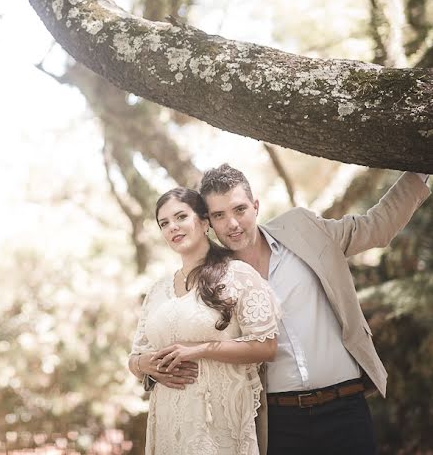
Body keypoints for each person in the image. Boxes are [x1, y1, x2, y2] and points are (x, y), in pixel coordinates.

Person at [198, 165, 430, 455]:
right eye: (219, 215)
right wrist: (145, 366)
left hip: (344, 407)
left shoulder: (302, 228)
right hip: (279, 422)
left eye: (240, 209)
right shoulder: (213, 281)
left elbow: (375, 227)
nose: (232, 223)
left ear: (255, 206)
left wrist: (421, 167)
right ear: (208, 222)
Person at [128, 188, 280, 455]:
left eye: (180, 217)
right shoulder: (157, 291)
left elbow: (266, 347)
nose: (172, 227)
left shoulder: (239, 275)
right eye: (164, 223)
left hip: (217, 425)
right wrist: (145, 365)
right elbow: (135, 358)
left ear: (204, 221)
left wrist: (198, 349)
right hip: (167, 424)